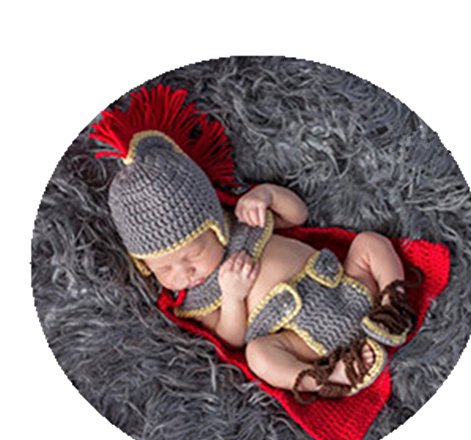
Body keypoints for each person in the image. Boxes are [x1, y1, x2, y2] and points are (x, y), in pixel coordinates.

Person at [90, 84, 420, 403]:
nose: (183, 272)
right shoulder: (198, 299)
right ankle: (326, 379)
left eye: (193, 254)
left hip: (346, 288)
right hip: (302, 339)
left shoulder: (245, 225)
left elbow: (298, 216)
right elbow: (231, 339)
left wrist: (267, 195)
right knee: (258, 355)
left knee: (370, 243)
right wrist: (233, 297)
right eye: (164, 269)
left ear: (216, 228)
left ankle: (391, 305)